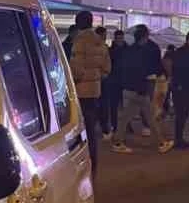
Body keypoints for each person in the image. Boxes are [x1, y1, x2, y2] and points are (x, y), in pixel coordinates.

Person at [68, 10, 111, 173]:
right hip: (95, 90)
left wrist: (74, 81)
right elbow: (107, 68)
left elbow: (76, 69)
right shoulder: (100, 42)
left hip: (81, 90)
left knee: (80, 128)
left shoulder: (80, 41)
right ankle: (93, 161)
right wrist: (96, 77)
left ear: (78, 23)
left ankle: (84, 164)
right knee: (91, 128)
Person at [111, 25, 163, 152]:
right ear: (144, 37)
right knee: (150, 117)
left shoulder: (128, 50)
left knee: (125, 117)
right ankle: (161, 143)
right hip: (138, 89)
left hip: (128, 88)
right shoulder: (141, 52)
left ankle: (117, 142)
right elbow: (142, 71)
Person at [170, 30, 189, 149]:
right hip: (181, 88)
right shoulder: (181, 53)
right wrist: (178, 85)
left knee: (184, 113)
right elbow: (177, 70)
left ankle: (180, 138)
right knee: (181, 114)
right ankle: (178, 139)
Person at [102, 28, 127, 135]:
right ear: (115, 38)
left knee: (126, 105)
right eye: (118, 38)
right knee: (114, 105)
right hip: (114, 82)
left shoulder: (127, 50)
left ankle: (125, 125)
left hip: (124, 81)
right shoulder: (111, 50)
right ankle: (114, 125)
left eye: (121, 38)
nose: (119, 40)